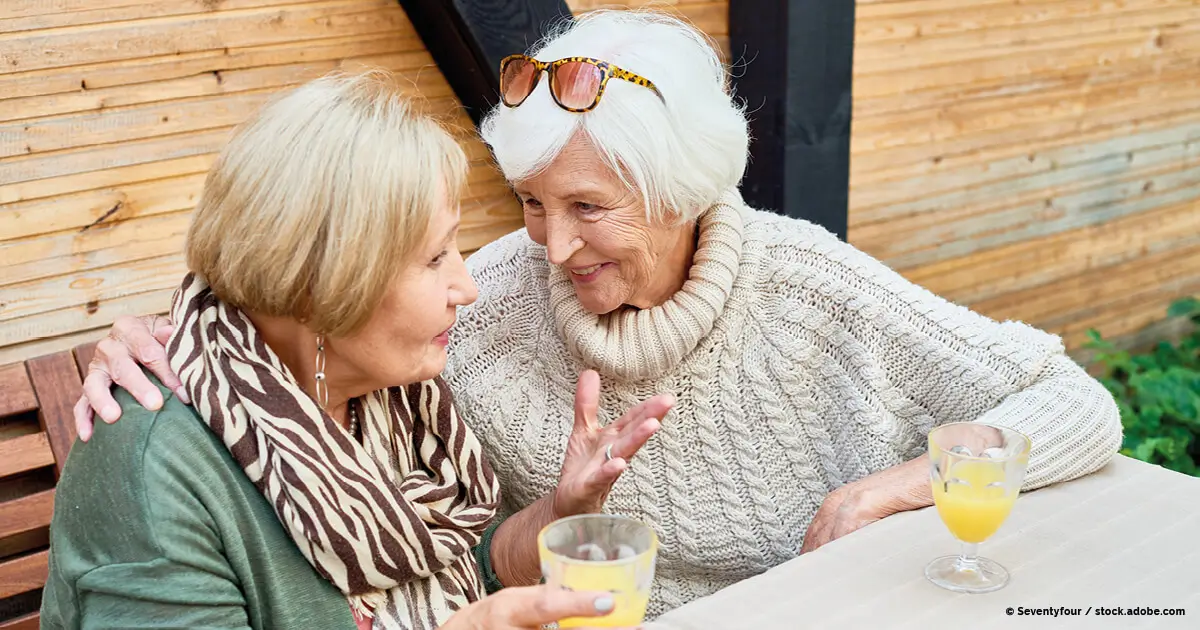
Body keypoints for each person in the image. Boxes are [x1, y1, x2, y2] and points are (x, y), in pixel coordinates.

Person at [75, 9, 1123, 619]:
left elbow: (1071, 401)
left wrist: (891, 490)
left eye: (588, 207)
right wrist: (173, 330)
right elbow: (281, 300)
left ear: (682, 194)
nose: (538, 251)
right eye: (530, 205)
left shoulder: (807, 287)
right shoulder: (452, 335)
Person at [42, 71, 671, 630]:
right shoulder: (156, 472)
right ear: (320, 289)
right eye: (433, 258)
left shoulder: (391, 400)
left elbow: (448, 568)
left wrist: (562, 511)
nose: (468, 287)